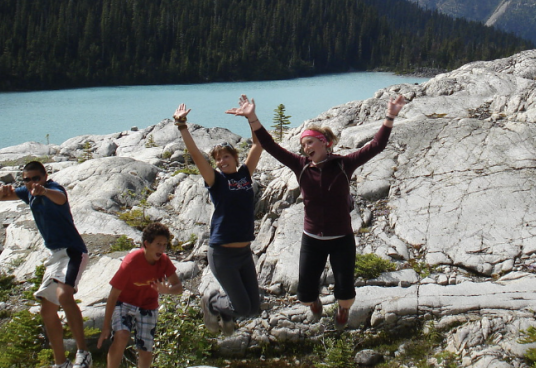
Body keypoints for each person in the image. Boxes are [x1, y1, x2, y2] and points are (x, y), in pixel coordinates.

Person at [233, 93, 406, 329]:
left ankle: (342, 311)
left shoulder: (344, 164)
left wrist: (390, 116)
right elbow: (270, 145)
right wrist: (252, 117)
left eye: (310, 143)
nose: (305, 148)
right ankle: (314, 303)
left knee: (345, 294)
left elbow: (377, 145)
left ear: (325, 142)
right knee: (304, 295)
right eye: (303, 145)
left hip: (342, 239)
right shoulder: (301, 166)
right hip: (312, 239)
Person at [0, 161, 91, 368]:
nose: (32, 182)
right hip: (55, 255)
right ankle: (60, 364)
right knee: (47, 310)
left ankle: (83, 353)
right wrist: (1, 191)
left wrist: (43, 190)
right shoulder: (27, 192)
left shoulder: (54, 189)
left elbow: (60, 199)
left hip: (73, 251)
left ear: (46, 175)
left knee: (65, 295)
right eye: (27, 179)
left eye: (36, 177)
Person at [173, 102, 263, 335]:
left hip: (243, 253)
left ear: (235, 157)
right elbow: (195, 154)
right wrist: (182, 125)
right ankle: (212, 302)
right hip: (222, 253)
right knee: (242, 306)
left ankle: (224, 311)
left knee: (253, 309)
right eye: (218, 159)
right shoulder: (216, 180)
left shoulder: (245, 174)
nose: (222, 161)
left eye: (226, 156)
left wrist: (250, 117)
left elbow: (258, 143)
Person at [97, 221, 183, 368]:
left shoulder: (164, 261)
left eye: (164, 244)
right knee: (121, 335)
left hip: (148, 305)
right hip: (125, 303)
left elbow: (178, 287)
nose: (162, 248)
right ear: (146, 244)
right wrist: (105, 326)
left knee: (146, 346)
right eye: (158, 244)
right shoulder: (132, 261)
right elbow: (113, 295)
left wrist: (165, 290)